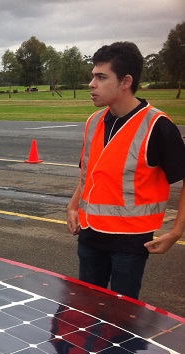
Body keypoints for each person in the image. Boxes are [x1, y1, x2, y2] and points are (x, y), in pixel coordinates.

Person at [66, 42, 185, 300]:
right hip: (89, 236)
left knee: (122, 318)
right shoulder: (94, 122)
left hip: (129, 242)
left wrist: (177, 231)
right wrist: (73, 206)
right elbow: (89, 173)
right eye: (92, 76)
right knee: (86, 308)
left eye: (101, 77)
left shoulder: (157, 126)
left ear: (125, 82)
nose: (92, 84)